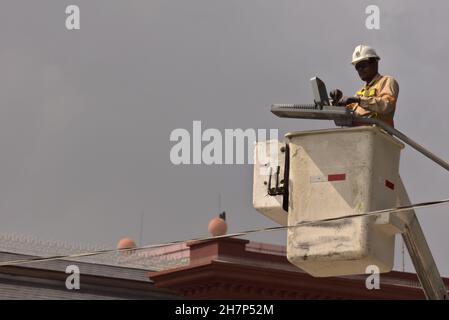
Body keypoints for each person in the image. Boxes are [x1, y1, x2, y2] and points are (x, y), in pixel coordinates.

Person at [330, 45, 399, 127]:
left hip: (377, 134)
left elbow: (387, 105)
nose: (360, 70)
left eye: (363, 65)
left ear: (375, 63)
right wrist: (336, 102)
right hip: (359, 135)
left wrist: (359, 100)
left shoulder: (387, 81)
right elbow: (346, 113)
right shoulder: (360, 93)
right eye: (357, 67)